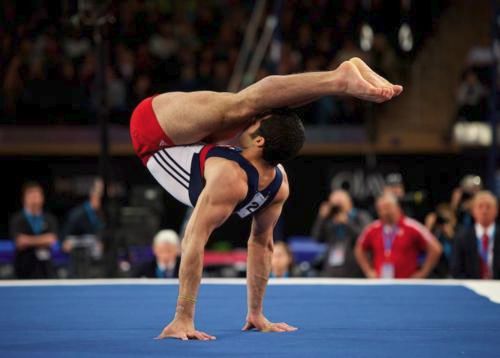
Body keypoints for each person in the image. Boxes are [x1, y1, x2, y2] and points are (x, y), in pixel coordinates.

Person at [129, 57, 402, 340]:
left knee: (244, 106)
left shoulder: (256, 183)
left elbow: (261, 245)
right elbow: (193, 242)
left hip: (157, 137)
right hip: (155, 124)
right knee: (243, 105)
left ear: (260, 140)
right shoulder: (276, 181)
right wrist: (183, 317)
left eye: (258, 124)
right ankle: (339, 79)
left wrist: (256, 313)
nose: (251, 122)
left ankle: (340, 79)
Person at [354, 194, 442, 279]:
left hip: (406, 283)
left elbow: (435, 248)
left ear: (397, 207)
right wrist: (368, 271)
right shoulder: (373, 229)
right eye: (380, 209)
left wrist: (422, 273)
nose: (385, 212)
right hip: (381, 283)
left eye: (387, 208)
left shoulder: (411, 226)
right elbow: (359, 249)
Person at [311, 189, 371, 277]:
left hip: (354, 268)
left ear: (349, 201)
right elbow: (316, 238)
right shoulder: (330, 220)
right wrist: (321, 218)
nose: (338, 206)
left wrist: (347, 223)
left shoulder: (360, 216)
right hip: (332, 268)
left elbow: (366, 239)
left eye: (340, 202)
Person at [9, 182, 58, 279]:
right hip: (23, 270)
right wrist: (42, 240)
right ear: (24, 199)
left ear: (42, 198)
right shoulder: (17, 219)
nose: (34, 199)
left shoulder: (49, 219)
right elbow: (20, 242)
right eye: (31, 196)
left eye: (37, 195)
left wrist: (29, 240)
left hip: (46, 270)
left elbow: (51, 240)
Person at [61, 178, 105, 278]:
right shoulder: (78, 213)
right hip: (77, 249)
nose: (98, 198)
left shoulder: (99, 213)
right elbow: (67, 230)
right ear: (91, 196)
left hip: (91, 252)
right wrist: (65, 241)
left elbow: (99, 230)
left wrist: (100, 241)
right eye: (96, 195)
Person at [451, 191, 500, 279]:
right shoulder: (462, 238)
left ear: (496, 210)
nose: (484, 211)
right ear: (473, 210)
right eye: (480, 206)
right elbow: (456, 270)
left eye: (488, 207)